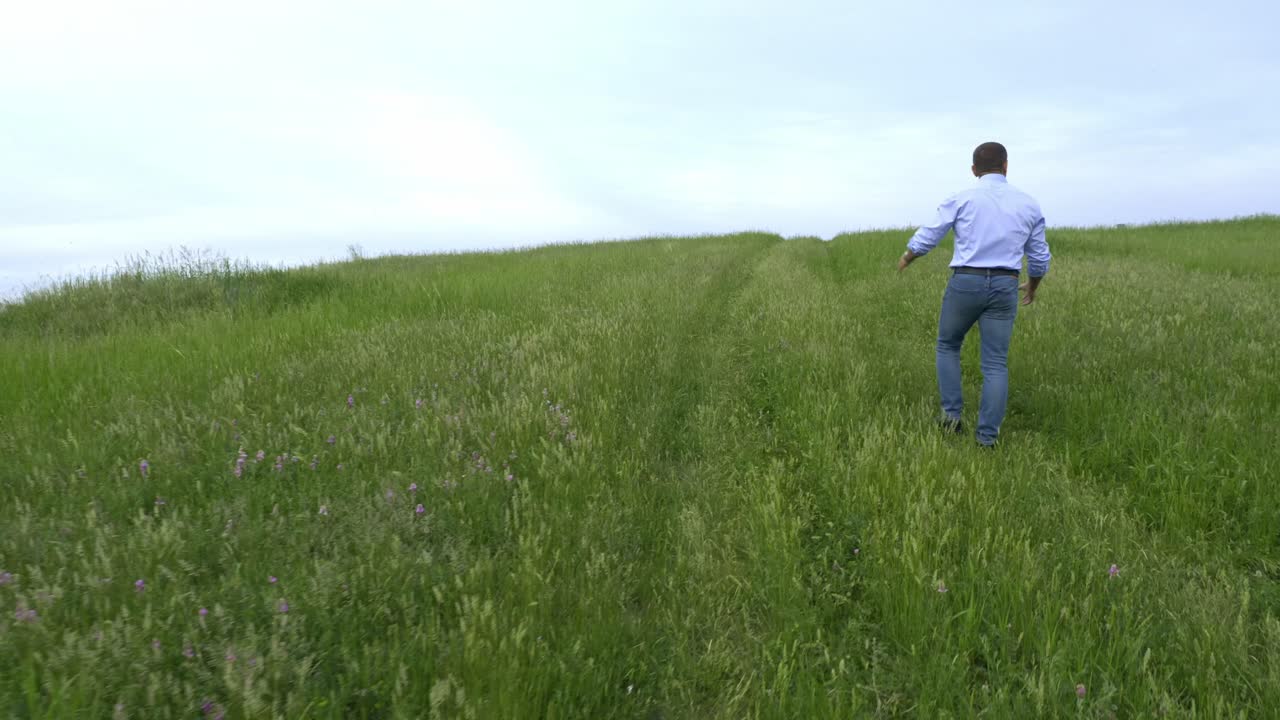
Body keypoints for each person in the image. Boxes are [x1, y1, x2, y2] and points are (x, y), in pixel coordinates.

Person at [896, 141, 1051, 447]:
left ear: (973, 170)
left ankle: (951, 418)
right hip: (1006, 284)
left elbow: (930, 234)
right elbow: (1039, 258)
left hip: (966, 281)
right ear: (1006, 166)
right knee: (995, 362)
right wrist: (1032, 286)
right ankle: (987, 439)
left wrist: (908, 257)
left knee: (948, 345)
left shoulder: (962, 199)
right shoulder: (1028, 204)